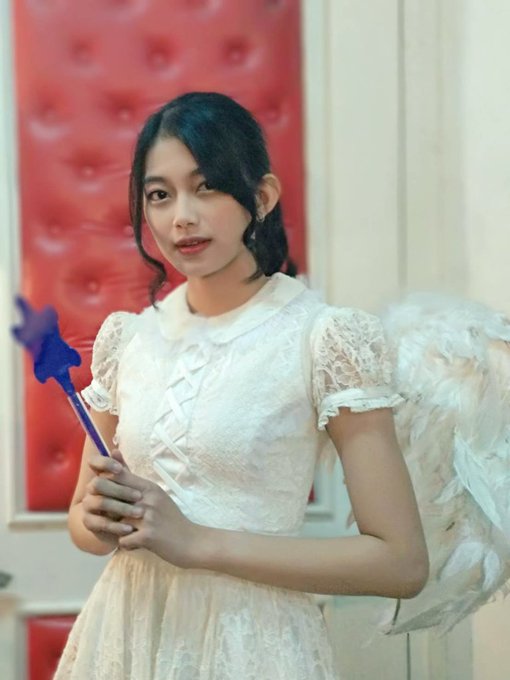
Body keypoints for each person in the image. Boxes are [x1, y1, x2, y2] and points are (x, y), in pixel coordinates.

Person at [54, 91, 429, 679]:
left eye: (206, 187)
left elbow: (401, 563)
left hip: (252, 644)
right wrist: (98, 519)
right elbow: (84, 525)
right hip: (126, 635)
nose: (181, 216)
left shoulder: (323, 337)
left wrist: (198, 542)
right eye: (159, 195)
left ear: (262, 197)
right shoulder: (126, 339)